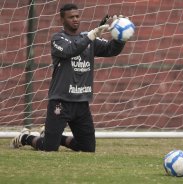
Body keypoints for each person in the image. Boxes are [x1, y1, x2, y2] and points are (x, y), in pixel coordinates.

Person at [10, 3, 129, 152]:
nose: (75, 19)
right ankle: (25, 138)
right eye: (71, 17)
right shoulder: (58, 39)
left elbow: (111, 50)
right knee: (49, 148)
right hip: (61, 102)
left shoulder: (88, 39)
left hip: (81, 103)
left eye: (77, 16)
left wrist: (121, 35)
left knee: (87, 148)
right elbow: (71, 50)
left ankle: (54, 136)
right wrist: (91, 36)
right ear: (62, 19)